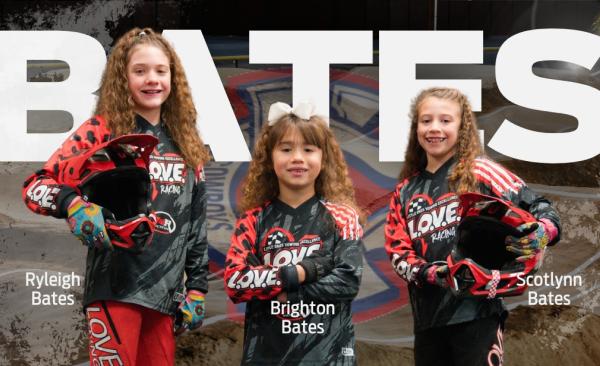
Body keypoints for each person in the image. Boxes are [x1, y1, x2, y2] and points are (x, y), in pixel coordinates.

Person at [22, 28, 210, 365]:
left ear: (173, 77)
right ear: (121, 78)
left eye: (160, 71)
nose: (151, 79)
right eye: (139, 71)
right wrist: (73, 204)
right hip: (114, 290)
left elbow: (195, 224)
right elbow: (36, 186)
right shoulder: (101, 130)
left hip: (166, 298)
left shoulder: (188, 143)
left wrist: (197, 289)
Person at [384, 87, 561, 366]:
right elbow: (398, 252)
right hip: (428, 322)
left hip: (479, 313)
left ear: (463, 126)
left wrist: (543, 231)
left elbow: (539, 206)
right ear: (415, 126)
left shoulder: (481, 170)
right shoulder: (404, 191)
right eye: (426, 120)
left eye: (445, 120)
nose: (434, 128)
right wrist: (434, 273)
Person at [224, 102, 364, 365]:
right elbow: (235, 283)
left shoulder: (343, 216)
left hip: (329, 356)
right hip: (265, 356)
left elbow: (347, 281)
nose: (297, 158)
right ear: (270, 156)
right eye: (286, 149)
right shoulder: (252, 219)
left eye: (308, 149)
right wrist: (303, 271)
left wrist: (278, 285)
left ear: (324, 158)